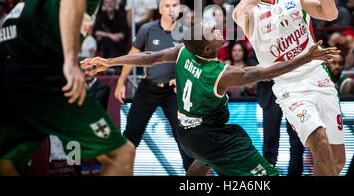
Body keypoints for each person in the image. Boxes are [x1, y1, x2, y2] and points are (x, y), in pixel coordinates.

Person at [82, 24, 340, 176]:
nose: (218, 29)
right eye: (212, 32)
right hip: (212, 137)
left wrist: (110, 61)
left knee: (201, 165)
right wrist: (307, 57)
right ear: (207, 48)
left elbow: (150, 57)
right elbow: (265, 72)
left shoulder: (184, 52)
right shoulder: (219, 74)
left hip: (187, 135)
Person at [0, 0, 135, 176]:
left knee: (7, 160)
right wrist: (71, 62)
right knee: (121, 155)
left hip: (9, 69)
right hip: (40, 73)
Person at [233, 0, 346, 176]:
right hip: (289, 88)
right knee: (319, 142)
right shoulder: (247, 12)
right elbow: (240, 9)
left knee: (337, 160)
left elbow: (331, 14)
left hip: (318, 78)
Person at [115, 0, 194, 172]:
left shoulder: (186, 32)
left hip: (174, 92)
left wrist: (181, 78)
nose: (171, 9)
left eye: (175, 5)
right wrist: (121, 81)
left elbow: (193, 62)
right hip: (148, 88)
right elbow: (132, 56)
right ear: (160, 9)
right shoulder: (148, 29)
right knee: (130, 136)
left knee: (185, 139)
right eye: (167, 6)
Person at [256, 80, 305, 176]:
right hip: (269, 87)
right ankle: (268, 173)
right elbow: (252, 63)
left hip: (294, 86)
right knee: (270, 137)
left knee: (297, 137)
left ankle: (295, 174)